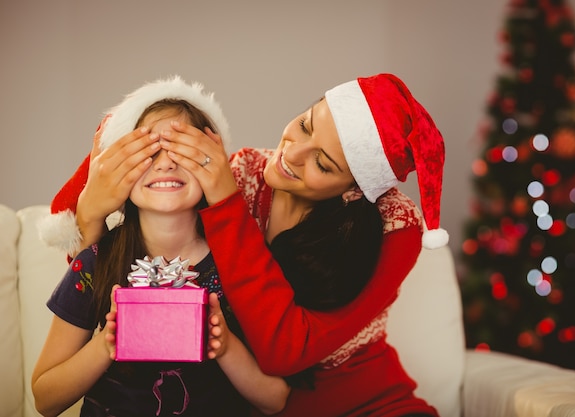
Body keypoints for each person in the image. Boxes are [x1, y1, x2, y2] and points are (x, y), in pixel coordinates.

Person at [42, 73, 447, 417]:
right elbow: (98, 282)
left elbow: (284, 354)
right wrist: (92, 211)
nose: (291, 153)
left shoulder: (396, 225)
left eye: (323, 163)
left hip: (361, 403)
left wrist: (225, 202)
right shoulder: (243, 171)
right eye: (305, 125)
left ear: (355, 190)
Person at [32, 77, 290, 417]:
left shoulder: (237, 266)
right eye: (149, 151)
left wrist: (224, 345)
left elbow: (276, 400)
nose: (166, 163)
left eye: (182, 150)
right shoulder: (96, 264)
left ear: (212, 165)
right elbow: (45, 399)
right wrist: (106, 344)